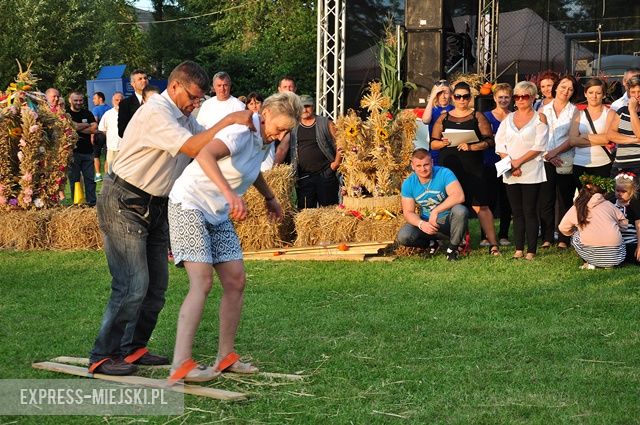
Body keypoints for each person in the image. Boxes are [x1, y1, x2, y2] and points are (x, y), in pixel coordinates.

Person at [88, 61, 254, 376]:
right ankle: (102, 354)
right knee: (132, 283)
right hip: (125, 200)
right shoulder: (156, 112)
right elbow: (194, 147)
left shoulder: (184, 117)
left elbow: (207, 144)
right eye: (193, 97)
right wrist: (230, 118)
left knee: (156, 286)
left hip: (156, 204)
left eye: (199, 99)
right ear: (175, 86)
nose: (195, 104)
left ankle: (133, 348)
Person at [166, 92, 303, 382]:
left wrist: (270, 198)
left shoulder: (263, 139)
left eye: (286, 131)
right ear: (263, 113)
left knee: (235, 280)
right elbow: (204, 155)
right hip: (189, 203)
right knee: (202, 281)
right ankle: (180, 363)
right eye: (278, 128)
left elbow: (250, 171)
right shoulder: (242, 131)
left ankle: (225, 356)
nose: (280, 136)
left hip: (217, 212)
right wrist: (229, 194)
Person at [430, 81, 500, 256]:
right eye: (458, 96)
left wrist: (471, 146)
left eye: (466, 96)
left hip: (473, 168)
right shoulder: (443, 118)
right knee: (454, 206)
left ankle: (493, 244)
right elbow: (432, 143)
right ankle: (458, 242)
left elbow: (490, 142)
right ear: (453, 97)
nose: (462, 100)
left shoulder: (477, 116)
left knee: (481, 206)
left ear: (470, 98)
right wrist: (442, 143)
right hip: (450, 169)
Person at [495, 81, 548, 260]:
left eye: (524, 96)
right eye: (517, 96)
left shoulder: (540, 118)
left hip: (532, 170)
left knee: (529, 210)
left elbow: (539, 146)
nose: (520, 100)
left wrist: (518, 162)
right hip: (510, 170)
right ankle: (519, 249)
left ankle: (531, 250)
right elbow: (500, 143)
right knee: (516, 211)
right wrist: (510, 163)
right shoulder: (507, 119)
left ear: (533, 97)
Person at [396, 148, 469, 261]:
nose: (423, 169)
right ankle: (431, 243)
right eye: (418, 166)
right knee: (403, 236)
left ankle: (452, 248)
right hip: (427, 221)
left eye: (426, 165)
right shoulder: (408, 183)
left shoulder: (444, 173)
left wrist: (436, 211)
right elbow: (408, 212)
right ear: (412, 166)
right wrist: (421, 224)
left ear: (432, 163)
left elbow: (459, 196)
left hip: (447, 221)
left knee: (460, 210)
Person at [539, 75, 579, 249]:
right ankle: (547, 237)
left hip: (565, 159)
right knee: (546, 200)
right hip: (545, 159)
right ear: (556, 88)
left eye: (570, 89)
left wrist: (555, 153)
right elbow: (539, 135)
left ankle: (564, 237)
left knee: (564, 198)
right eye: (563, 87)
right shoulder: (542, 109)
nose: (565, 91)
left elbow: (572, 138)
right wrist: (549, 154)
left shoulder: (574, 111)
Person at [559, 175, 627, 269]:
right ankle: (609, 264)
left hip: (591, 252)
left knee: (576, 236)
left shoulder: (578, 206)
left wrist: (575, 232)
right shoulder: (609, 205)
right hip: (616, 257)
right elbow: (624, 224)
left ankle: (590, 262)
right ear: (603, 193)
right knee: (618, 236)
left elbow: (563, 227)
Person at [291, 95, 341, 208]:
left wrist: (335, 164)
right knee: (306, 215)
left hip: (326, 174)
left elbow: (341, 143)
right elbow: (285, 147)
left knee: (329, 213)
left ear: (313, 107)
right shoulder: (294, 126)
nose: (304, 109)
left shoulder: (326, 123)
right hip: (304, 177)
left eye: (307, 106)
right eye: (301, 107)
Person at [481, 83, 513, 247]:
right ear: (494, 98)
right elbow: (483, 138)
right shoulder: (485, 116)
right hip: (488, 162)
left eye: (506, 97)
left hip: (507, 163)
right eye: (500, 97)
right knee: (488, 200)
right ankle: (485, 235)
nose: (503, 100)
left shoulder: (514, 116)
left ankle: (503, 234)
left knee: (506, 200)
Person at [568, 78, 615, 186]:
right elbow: (572, 141)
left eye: (598, 93)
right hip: (580, 164)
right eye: (590, 92)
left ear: (603, 95)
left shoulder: (610, 113)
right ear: (585, 94)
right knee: (583, 200)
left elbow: (608, 138)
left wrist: (584, 136)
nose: (594, 96)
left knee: (600, 199)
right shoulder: (578, 114)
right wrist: (599, 140)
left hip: (603, 163)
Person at [67, 91, 98, 206]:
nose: (79, 102)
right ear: (70, 100)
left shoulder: (87, 113)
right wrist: (86, 125)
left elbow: (94, 129)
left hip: (88, 152)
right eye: (76, 100)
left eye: (80, 100)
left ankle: (92, 202)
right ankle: (77, 202)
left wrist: (76, 127)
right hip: (72, 152)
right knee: (74, 180)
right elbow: (71, 126)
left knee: (90, 179)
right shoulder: (67, 114)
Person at [607, 76, 640, 176]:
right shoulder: (622, 110)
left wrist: (632, 111)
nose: (637, 95)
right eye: (633, 92)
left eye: (639, 91)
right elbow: (610, 135)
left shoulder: (630, 110)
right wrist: (634, 140)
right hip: (620, 165)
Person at [421, 80, 453, 164]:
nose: (443, 96)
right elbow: (425, 120)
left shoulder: (453, 108)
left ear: (450, 94)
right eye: (439, 93)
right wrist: (432, 97)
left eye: (446, 93)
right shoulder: (432, 109)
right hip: (435, 149)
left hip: (451, 147)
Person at [612, 172, 640, 263]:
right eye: (617, 190)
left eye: (623, 191)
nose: (620, 194)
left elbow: (639, 226)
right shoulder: (611, 204)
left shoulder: (634, 205)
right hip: (617, 243)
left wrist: (639, 246)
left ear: (632, 191)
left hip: (633, 242)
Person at [98, 91, 124, 175]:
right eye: (117, 100)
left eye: (121, 100)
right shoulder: (108, 114)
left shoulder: (130, 113)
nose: (119, 102)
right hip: (112, 149)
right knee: (111, 174)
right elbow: (103, 129)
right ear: (113, 102)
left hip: (126, 149)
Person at [118, 69, 148, 138]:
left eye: (145, 78)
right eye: (140, 79)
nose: (144, 80)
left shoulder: (157, 100)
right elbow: (121, 131)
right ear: (133, 84)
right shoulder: (125, 104)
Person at [274, 76, 298, 164]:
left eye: (290, 87)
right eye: (285, 87)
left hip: (296, 151)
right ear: (279, 89)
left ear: (295, 89)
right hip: (275, 149)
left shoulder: (300, 107)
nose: (288, 89)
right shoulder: (272, 106)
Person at [92, 92, 111, 182]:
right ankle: (107, 174)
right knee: (107, 155)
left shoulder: (95, 109)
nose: (93, 100)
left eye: (94, 98)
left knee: (96, 155)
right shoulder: (110, 108)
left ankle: (98, 174)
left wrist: (92, 135)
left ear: (100, 99)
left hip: (99, 134)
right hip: (108, 134)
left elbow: (94, 123)